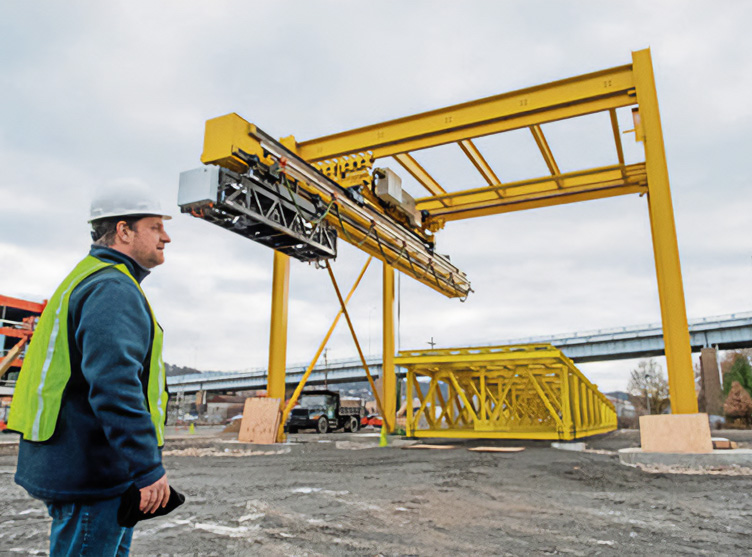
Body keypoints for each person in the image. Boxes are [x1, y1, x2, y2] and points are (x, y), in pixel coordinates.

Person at [8, 182, 173, 556]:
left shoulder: (89, 278)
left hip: (83, 464)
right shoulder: (112, 288)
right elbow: (116, 386)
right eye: (155, 226)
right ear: (123, 230)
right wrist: (147, 468)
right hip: (93, 473)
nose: (166, 236)